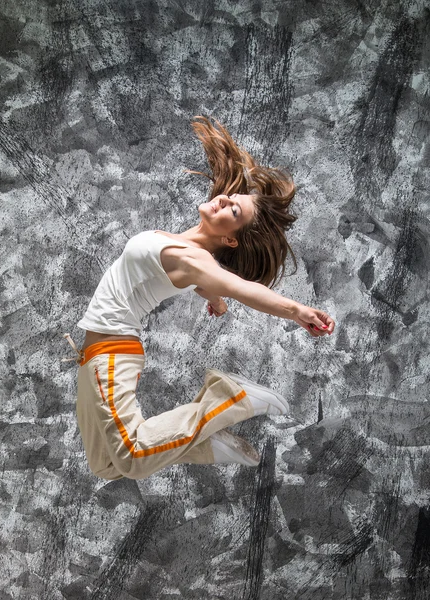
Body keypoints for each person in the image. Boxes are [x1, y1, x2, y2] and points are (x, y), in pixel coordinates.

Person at [63, 116, 335, 481]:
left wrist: (296, 310)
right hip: (92, 356)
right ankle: (208, 444)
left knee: (130, 455)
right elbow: (210, 286)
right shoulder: (191, 255)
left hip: (111, 352)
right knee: (107, 466)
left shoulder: (195, 260)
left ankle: (230, 396)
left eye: (233, 211)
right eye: (231, 199)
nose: (223, 200)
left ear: (231, 239)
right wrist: (216, 301)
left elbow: (240, 287)